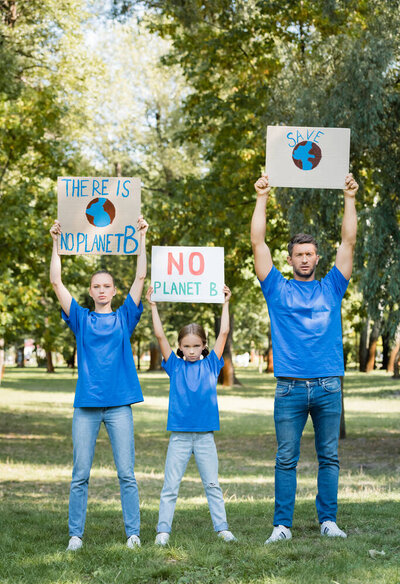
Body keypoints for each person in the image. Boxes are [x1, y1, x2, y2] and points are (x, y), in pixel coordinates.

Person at [250, 173, 358, 544]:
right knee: (286, 459)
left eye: (311, 253)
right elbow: (257, 241)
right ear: (291, 258)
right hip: (289, 388)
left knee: (329, 458)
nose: (306, 259)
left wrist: (349, 197)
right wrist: (262, 197)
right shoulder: (276, 287)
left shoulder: (332, 285)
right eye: (300, 254)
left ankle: (328, 520)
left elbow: (349, 240)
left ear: (317, 257)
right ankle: (282, 526)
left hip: (329, 385)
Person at [49, 216, 148, 551]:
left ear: (114, 291)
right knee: (80, 475)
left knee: (126, 474)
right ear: (90, 291)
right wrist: (56, 244)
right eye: (97, 286)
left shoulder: (125, 316)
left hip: (119, 406)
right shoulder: (81, 318)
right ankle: (75, 535)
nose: (102, 290)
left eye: (107, 286)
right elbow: (56, 283)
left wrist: (142, 237)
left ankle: (133, 533)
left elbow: (141, 276)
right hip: (87, 406)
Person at [146, 284, 237, 546]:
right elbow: (160, 337)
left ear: (204, 345)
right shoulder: (174, 366)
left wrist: (225, 303)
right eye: (187, 346)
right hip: (180, 437)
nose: (193, 350)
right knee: (170, 486)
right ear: (181, 348)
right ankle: (163, 530)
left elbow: (225, 332)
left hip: (205, 437)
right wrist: (153, 306)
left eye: (197, 345)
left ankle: (222, 528)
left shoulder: (212, 364)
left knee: (212, 485)